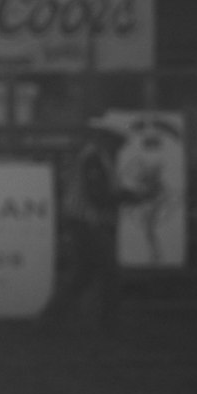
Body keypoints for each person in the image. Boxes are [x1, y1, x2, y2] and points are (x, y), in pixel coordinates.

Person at [53, 118, 134, 326]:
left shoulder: (98, 156)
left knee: (85, 273)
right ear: (108, 138)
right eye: (118, 140)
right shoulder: (94, 158)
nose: (121, 145)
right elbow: (97, 195)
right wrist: (126, 197)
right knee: (107, 270)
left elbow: (100, 192)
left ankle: (52, 317)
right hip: (86, 220)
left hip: (85, 219)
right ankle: (109, 319)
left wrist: (126, 196)